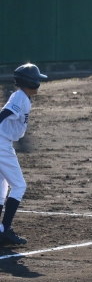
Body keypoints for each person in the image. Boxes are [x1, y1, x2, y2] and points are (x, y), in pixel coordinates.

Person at [0, 64, 47, 245]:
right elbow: (5, 113)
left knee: (2, 188)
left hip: (3, 142)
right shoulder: (20, 96)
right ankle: (5, 230)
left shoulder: (22, 96)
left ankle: (1, 231)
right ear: (31, 82)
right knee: (19, 186)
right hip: (2, 144)